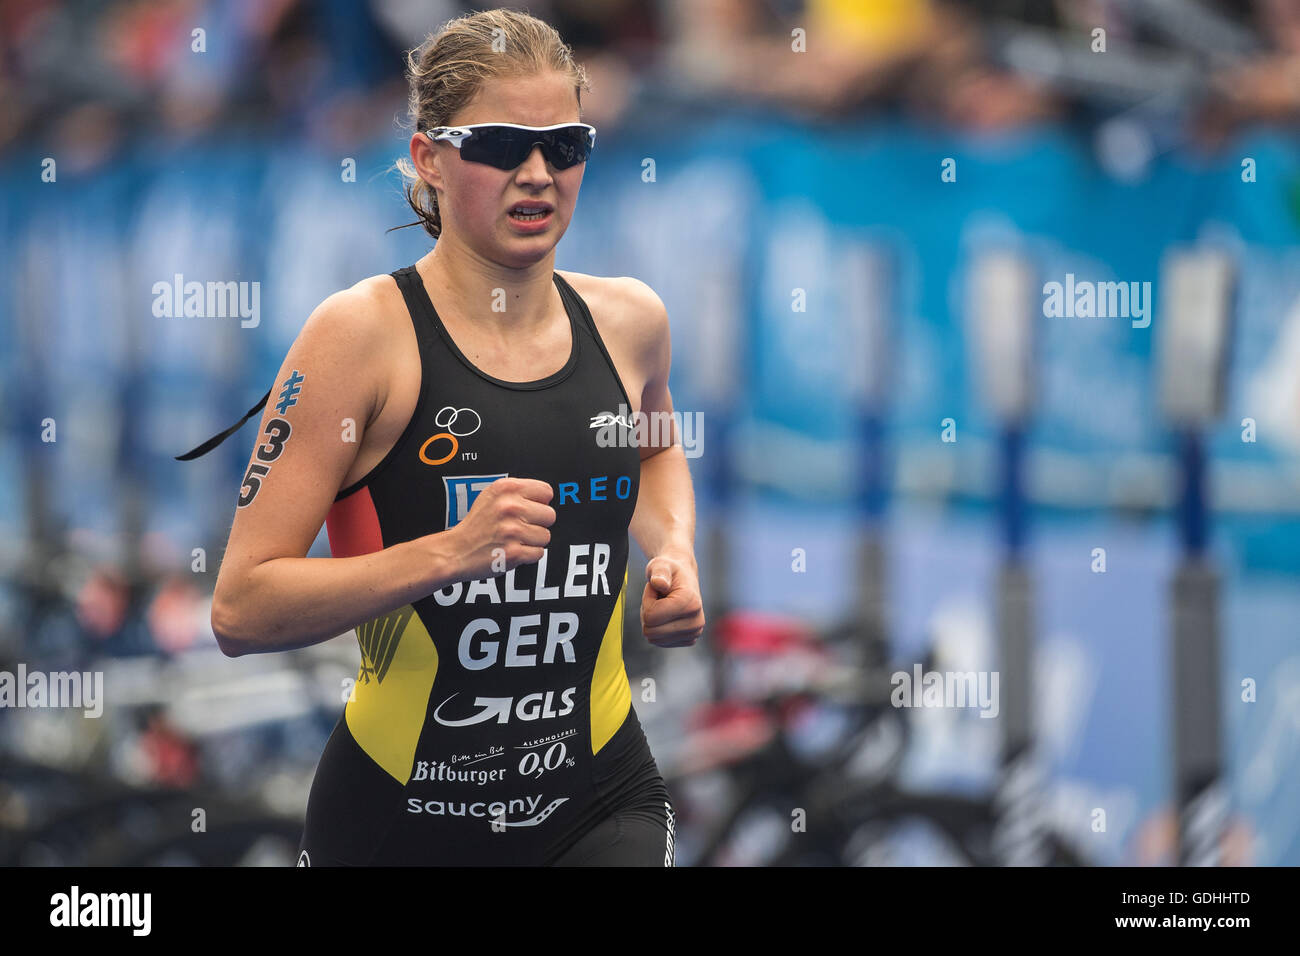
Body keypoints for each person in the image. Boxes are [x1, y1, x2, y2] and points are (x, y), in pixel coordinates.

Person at [207, 7, 703, 866]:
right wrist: (448, 554)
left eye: (566, 146)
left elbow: (656, 446)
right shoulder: (358, 337)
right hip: (401, 819)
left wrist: (675, 551)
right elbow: (242, 608)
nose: (539, 174)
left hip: (598, 799)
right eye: (503, 146)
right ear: (428, 158)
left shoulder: (631, 321)